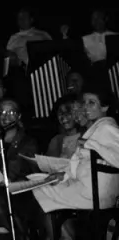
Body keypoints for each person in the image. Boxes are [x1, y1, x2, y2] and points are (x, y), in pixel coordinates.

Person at [26, 83, 119, 240]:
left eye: (92, 102)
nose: (86, 107)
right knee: (38, 183)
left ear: (104, 107)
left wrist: (90, 144)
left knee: (35, 188)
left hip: (94, 193)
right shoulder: (97, 128)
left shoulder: (107, 127)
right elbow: (81, 162)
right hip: (89, 188)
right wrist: (64, 174)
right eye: (84, 102)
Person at [0, 98, 38, 237]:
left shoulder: (28, 141)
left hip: (21, 190)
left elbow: (32, 168)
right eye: (2, 112)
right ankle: (22, 235)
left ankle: (22, 235)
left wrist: (13, 180)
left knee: (23, 205)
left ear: (19, 116)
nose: (6, 116)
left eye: (11, 112)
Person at [45, 95, 82, 159]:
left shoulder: (86, 137)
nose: (64, 118)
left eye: (68, 113)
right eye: (60, 113)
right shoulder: (56, 140)